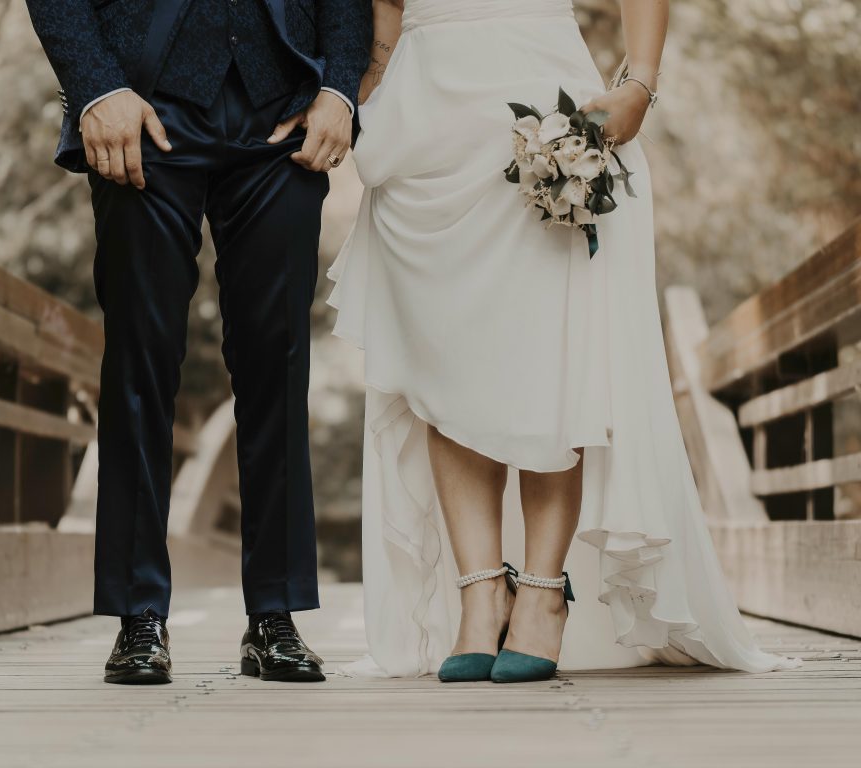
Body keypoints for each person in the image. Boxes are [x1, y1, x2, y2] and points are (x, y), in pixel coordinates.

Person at [329, 0, 798, 682]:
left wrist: (641, 83)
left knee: (548, 351)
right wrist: (373, 83)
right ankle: (481, 593)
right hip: (421, 121)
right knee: (443, 357)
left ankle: (544, 592)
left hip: (536, 97)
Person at [24, 0, 369, 684]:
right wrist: (96, 85)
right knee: (139, 359)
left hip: (282, 113)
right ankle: (138, 615)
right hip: (139, 105)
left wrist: (340, 87)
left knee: (277, 362)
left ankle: (274, 613)